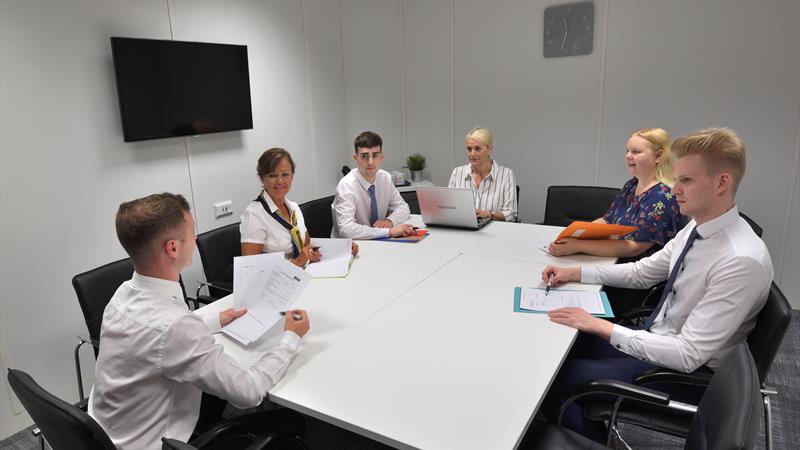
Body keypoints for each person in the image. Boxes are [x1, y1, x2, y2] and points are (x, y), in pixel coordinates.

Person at [537, 128, 773, 441]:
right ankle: (590, 427)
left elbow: (688, 354)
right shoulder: (697, 228)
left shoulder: (740, 260)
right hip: (658, 340)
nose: (674, 189)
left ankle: (584, 438)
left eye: (686, 180)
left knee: (554, 379)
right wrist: (578, 273)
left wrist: (603, 327)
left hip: (683, 374)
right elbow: (643, 272)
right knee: (560, 344)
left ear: (722, 183)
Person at [89, 193, 311, 450]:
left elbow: (159, 333)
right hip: (154, 443)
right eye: (192, 233)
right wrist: (291, 338)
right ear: (173, 248)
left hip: (109, 431)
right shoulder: (175, 327)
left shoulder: (121, 296)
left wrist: (218, 318)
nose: (195, 239)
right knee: (291, 422)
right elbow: (248, 392)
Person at [549, 128, 685, 261]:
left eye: (636, 152)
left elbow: (635, 247)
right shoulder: (632, 185)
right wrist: (576, 235)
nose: (627, 156)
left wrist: (578, 245)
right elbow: (607, 220)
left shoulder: (663, 197)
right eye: (627, 151)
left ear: (658, 156)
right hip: (613, 261)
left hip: (636, 274)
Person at [241, 148, 358, 265]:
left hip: (304, 273)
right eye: (272, 175)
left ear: (292, 176)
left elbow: (307, 246)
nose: (280, 180)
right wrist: (296, 262)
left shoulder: (293, 208)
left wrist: (343, 247)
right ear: (262, 178)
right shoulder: (254, 214)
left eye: (285, 174)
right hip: (280, 281)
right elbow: (251, 269)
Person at [333, 131, 415, 239]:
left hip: (378, 241)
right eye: (364, 156)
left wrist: (389, 221)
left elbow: (403, 207)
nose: (371, 162)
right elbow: (346, 230)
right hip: (351, 246)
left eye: (375, 155)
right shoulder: (347, 186)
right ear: (355, 158)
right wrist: (388, 232)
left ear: (381, 156)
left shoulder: (384, 177)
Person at [448, 127, 518, 222]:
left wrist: (489, 214)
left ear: (489, 149)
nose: (472, 154)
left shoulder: (506, 174)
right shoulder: (457, 173)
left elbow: (511, 214)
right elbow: (449, 208)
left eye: (477, 149)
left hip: (494, 232)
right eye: (469, 149)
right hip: (463, 230)